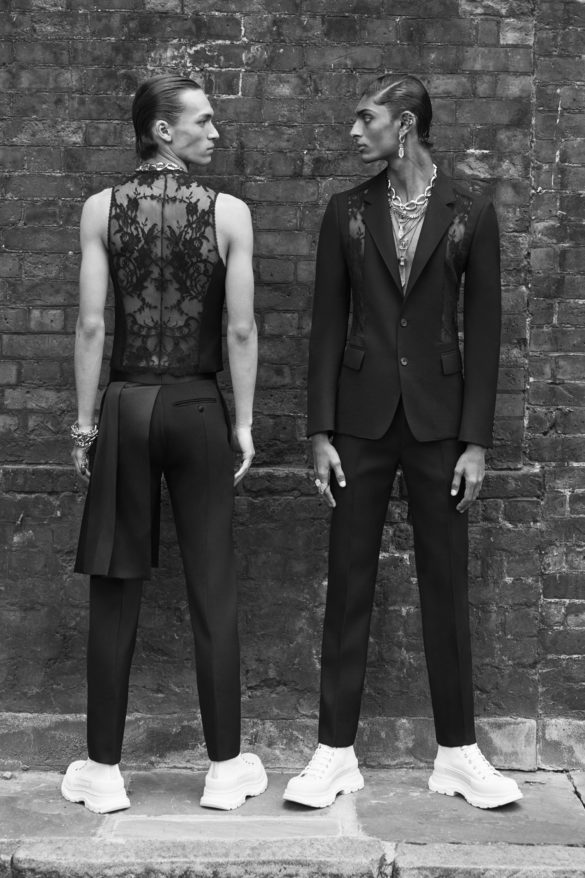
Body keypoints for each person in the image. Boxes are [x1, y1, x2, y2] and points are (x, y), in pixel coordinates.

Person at [284, 74, 522, 810]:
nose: (355, 132)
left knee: (445, 584)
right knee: (348, 580)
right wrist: (318, 430)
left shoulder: (470, 212)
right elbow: (327, 324)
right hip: (359, 422)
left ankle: (457, 752)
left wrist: (475, 442)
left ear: (406, 125)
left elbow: (484, 334)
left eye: (367, 119)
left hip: (438, 426)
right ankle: (334, 752)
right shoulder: (346, 212)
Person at [61, 74, 267, 814]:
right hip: (196, 405)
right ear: (161, 130)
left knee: (115, 586)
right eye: (202, 121)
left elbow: (92, 324)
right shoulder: (229, 213)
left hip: (126, 405)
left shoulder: (100, 209)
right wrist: (243, 423)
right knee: (212, 584)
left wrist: (85, 426)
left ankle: (103, 771)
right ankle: (225, 769)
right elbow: (240, 328)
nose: (215, 132)